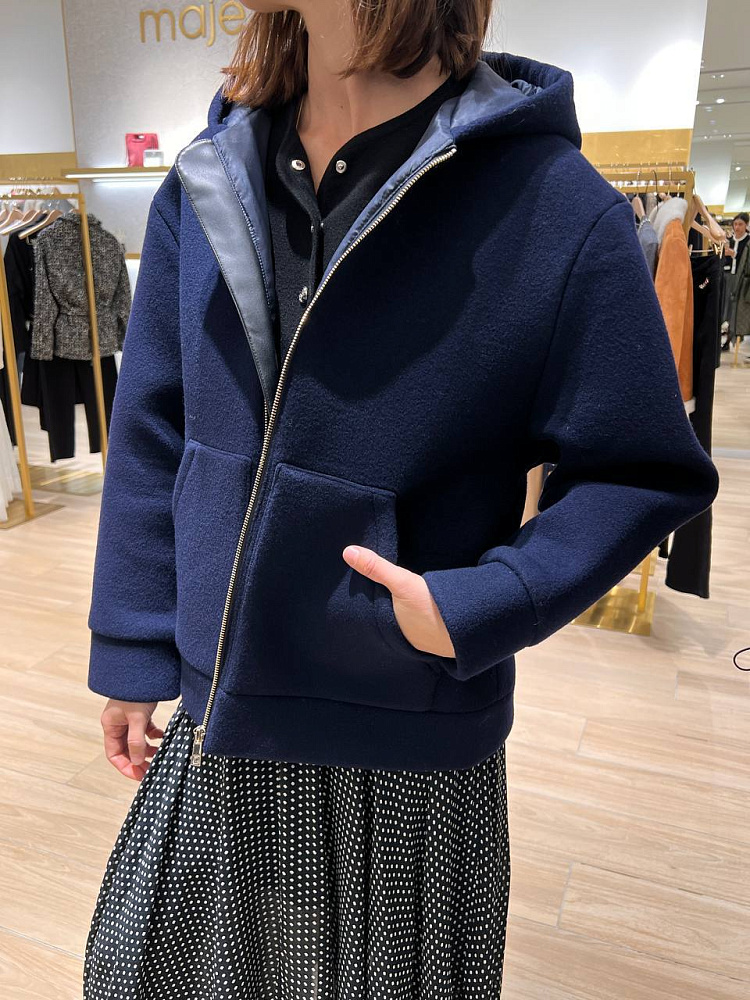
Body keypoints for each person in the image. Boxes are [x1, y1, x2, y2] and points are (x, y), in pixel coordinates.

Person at [81, 1, 719, 996]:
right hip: (220, 720)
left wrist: (483, 604)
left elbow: (642, 467)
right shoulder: (207, 180)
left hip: (408, 742)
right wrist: (132, 642)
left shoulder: (551, 204)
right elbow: (154, 427)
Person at [721, 211, 750, 350]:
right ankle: (724, 338)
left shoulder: (748, 242)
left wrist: (735, 255)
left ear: (746, 225)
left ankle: (731, 338)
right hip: (727, 277)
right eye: (735, 224)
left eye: (740, 224)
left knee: (735, 310)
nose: (737, 227)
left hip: (741, 281)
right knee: (724, 307)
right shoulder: (729, 240)